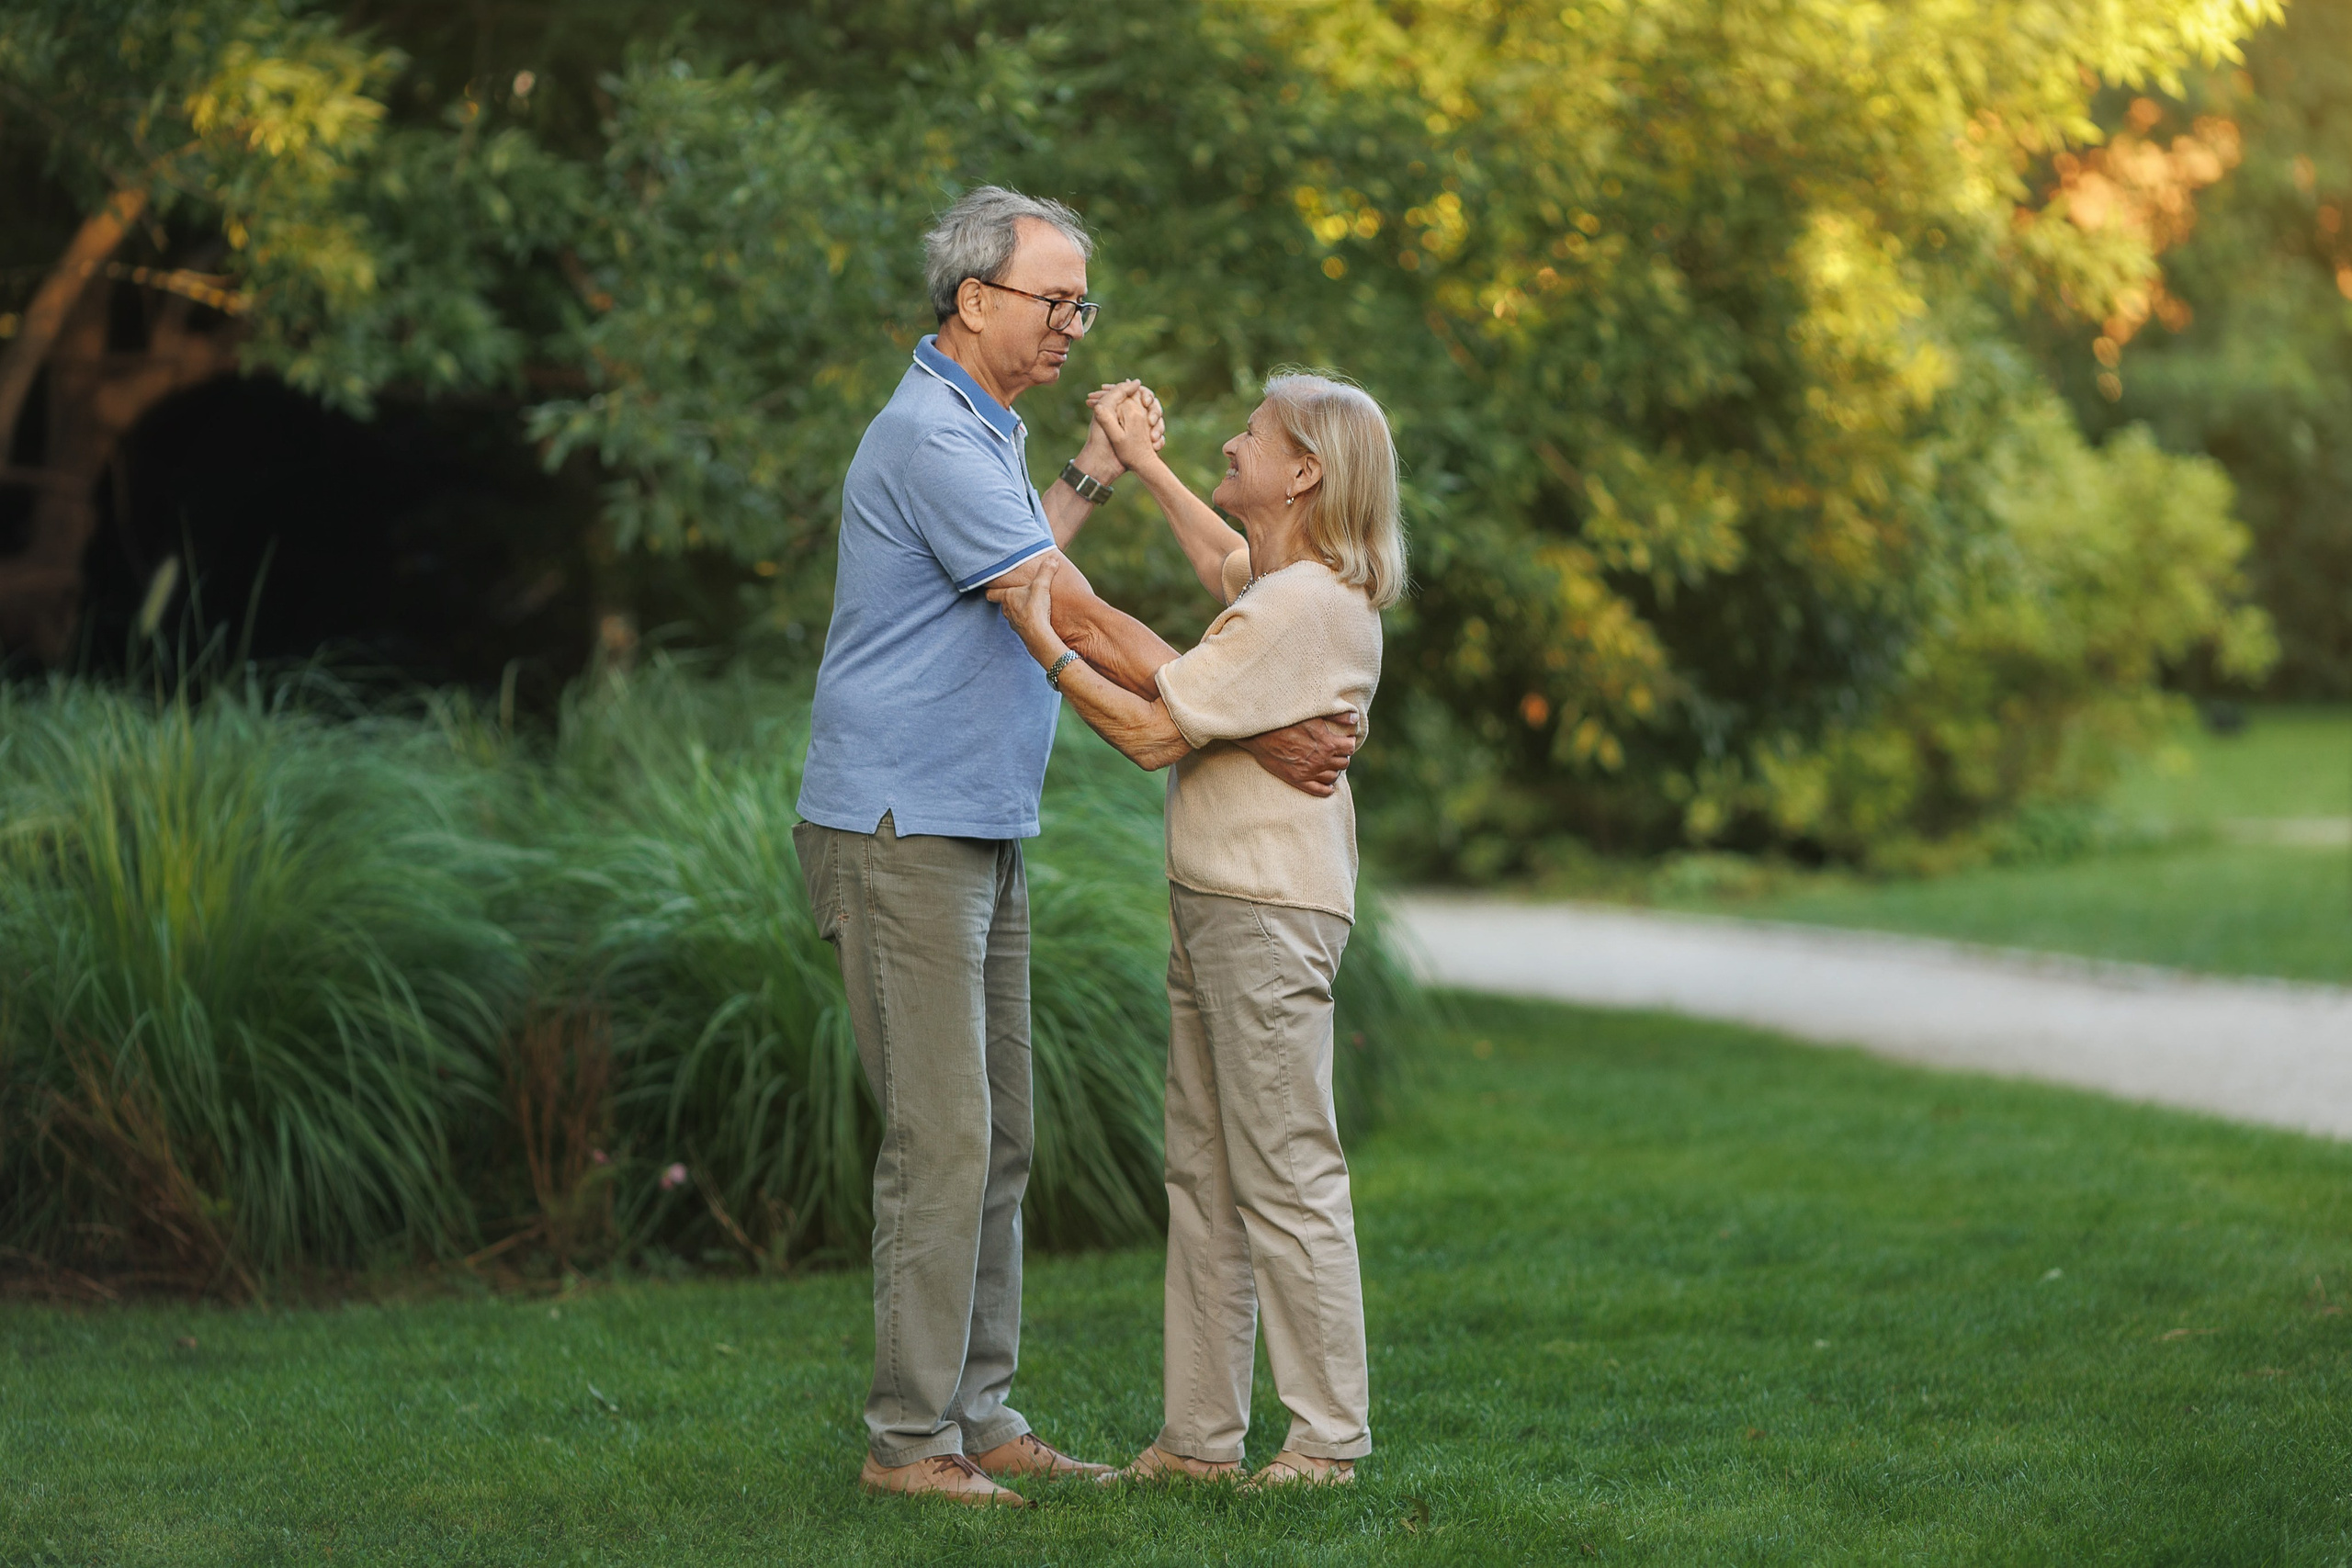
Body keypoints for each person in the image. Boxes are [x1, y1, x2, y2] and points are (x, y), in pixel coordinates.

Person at [791, 187, 1363, 1507]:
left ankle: (980, 1414)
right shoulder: (932, 433)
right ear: (973, 299)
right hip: (900, 824)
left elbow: (1026, 556)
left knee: (997, 1135)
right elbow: (1071, 609)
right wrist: (1253, 714)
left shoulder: (984, 428)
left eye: (1080, 303)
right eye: (1055, 300)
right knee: (943, 1137)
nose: (1074, 324)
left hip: (976, 818)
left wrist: (1101, 470)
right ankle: (908, 1443)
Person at [991, 370, 1408, 1487]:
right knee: (1206, 1179)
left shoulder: (1301, 605)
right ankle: (1197, 1441)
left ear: (1304, 473)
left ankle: (1327, 1443)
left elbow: (1149, 732)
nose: (1231, 443)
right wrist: (1142, 464)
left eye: (1252, 436)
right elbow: (1222, 562)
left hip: (1265, 915)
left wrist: (1043, 633)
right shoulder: (1282, 584)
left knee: (1285, 1175)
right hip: (1223, 905)